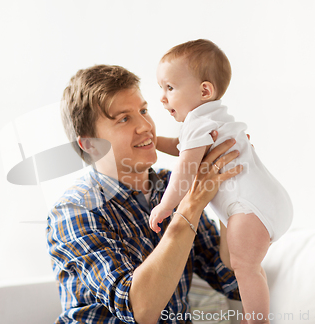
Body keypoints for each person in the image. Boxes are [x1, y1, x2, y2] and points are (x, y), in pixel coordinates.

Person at [46, 64, 244, 324]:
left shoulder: (169, 184)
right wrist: (192, 204)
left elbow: (230, 281)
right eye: (124, 119)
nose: (145, 127)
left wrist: (225, 190)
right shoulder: (75, 210)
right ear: (91, 145)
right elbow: (139, 310)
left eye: (143, 110)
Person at [149, 39, 293, 323]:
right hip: (268, 201)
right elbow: (181, 146)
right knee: (248, 266)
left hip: (249, 208)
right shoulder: (213, 118)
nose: (162, 98)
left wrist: (166, 206)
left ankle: (256, 320)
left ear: (204, 90)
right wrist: (153, 142)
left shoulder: (197, 124)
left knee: (245, 266)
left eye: (169, 88)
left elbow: (185, 168)